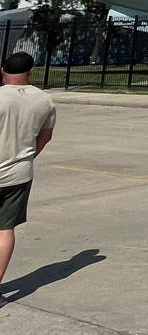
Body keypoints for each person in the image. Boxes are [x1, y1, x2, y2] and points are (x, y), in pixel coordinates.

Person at [0, 52, 57, 309]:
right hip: (18, 174)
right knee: (5, 230)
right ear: (31, 72)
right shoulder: (44, 100)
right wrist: (25, 157)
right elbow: (45, 136)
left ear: (3, 70)